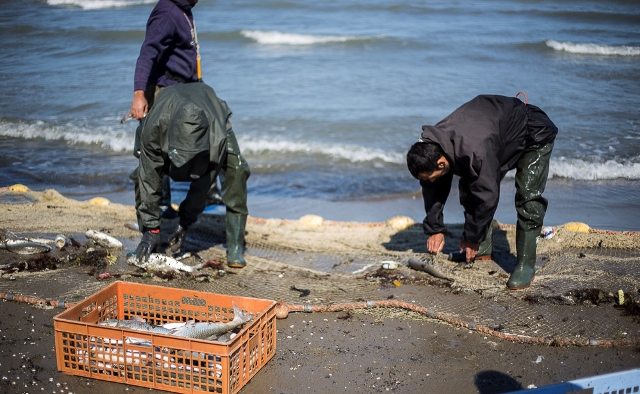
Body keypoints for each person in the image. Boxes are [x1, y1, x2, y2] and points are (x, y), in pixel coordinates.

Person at [406, 94, 557, 290]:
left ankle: (525, 265)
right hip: (497, 135)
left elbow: (488, 195)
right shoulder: (431, 147)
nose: (431, 181)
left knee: (528, 200)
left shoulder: (475, 150)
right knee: (468, 188)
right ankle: (482, 249)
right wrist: (435, 228)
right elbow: (432, 186)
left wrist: (471, 237)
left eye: (432, 175)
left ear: (442, 163)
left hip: (533, 134)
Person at [130, 82, 251, 268]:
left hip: (212, 113)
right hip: (165, 110)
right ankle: (148, 237)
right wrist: (152, 229)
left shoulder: (216, 138)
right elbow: (149, 178)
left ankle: (235, 245)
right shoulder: (153, 130)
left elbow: (203, 184)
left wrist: (185, 222)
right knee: (141, 175)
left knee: (238, 169)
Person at [127, 0, 222, 211]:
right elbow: (148, 52)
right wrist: (139, 94)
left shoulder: (183, 9)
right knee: (156, 151)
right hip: (166, 91)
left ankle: (210, 192)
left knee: (206, 137)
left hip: (186, 89)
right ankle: (156, 207)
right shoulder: (167, 11)